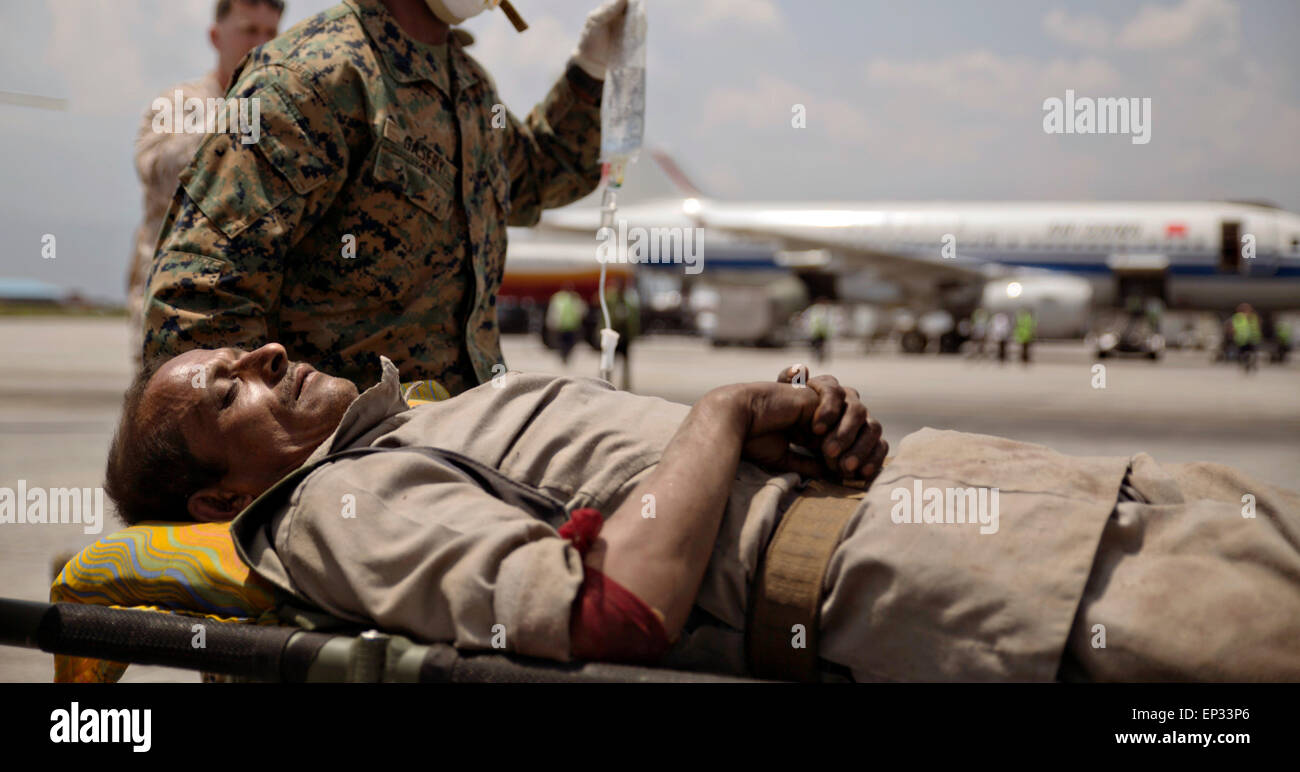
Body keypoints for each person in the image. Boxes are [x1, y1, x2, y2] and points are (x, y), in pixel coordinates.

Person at [103, 342, 1300, 682]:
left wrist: (784, 427)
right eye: (227, 389)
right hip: (961, 572)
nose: (263, 354)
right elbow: (610, 607)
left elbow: (631, 490)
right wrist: (726, 411)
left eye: (248, 351)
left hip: (1003, 500)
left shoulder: (404, 426)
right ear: (221, 494)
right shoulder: (329, 501)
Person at [142, 0, 626, 393]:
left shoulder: (469, 90)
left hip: (464, 438)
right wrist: (288, 452)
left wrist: (590, 73)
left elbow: (546, 174)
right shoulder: (311, 80)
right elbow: (195, 308)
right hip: (351, 458)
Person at [126, 0, 285, 369]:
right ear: (216, 37)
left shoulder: (279, 109)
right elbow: (157, 172)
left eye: (271, 33)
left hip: (252, 311)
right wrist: (234, 119)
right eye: (249, 30)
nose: (261, 43)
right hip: (176, 309)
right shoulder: (180, 103)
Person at [607, 279, 640, 390]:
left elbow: (633, 319)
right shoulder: (611, 300)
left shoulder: (628, 301)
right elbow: (605, 317)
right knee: (609, 362)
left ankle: (626, 385)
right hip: (613, 336)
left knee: (625, 364)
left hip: (624, 337)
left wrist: (632, 334)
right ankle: (606, 382)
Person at [545, 285, 584, 365]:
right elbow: (553, 310)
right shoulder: (558, 297)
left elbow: (580, 309)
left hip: (572, 325)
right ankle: (563, 356)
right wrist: (551, 321)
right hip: (561, 325)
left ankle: (566, 356)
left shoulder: (574, 297)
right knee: (562, 343)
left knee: (570, 343)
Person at [1231, 303, 1262, 373]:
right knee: (1243, 353)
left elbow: (1257, 326)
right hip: (1242, 338)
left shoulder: (1253, 317)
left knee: (1252, 352)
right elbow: (1234, 327)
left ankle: (1252, 364)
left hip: (1252, 338)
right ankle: (1245, 364)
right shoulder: (1238, 317)